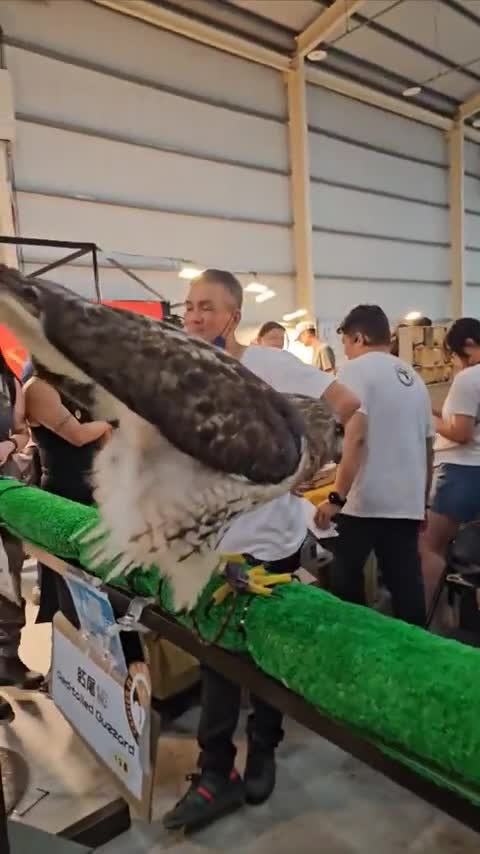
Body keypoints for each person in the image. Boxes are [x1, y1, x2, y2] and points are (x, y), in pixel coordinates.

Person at [163, 269, 359, 833]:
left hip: (270, 544)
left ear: (233, 315)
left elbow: (348, 406)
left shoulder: (269, 364)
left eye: (207, 306)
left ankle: (263, 750)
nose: (194, 315)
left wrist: (309, 472)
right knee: (216, 660)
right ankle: (215, 769)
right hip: (212, 546)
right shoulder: (186, 374)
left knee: (266, 654)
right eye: (189, 305)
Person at [315, 304, 433, 628]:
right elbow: (427, 447)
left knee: (345, 579)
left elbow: (355, 438)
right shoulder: (413, 378)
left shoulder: (355, 371)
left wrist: (336, 497)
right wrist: (422, 502)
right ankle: (418, 649)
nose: (346, 352)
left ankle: (356, 644)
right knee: (406, 584)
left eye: (346, 343)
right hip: (406, 501)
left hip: (366, 501)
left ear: (359, 337)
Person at [23, 363, 112, 626]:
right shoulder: (38, 387)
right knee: (68, 585)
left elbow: (102, 440)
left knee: (100, 578)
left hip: (95, 487)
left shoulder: (75, 385)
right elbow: (78, 435)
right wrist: (107, 424)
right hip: (64, 492)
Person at [421, 318, 480, 607]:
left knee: (429, 548)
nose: (455, 362)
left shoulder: (469, 378)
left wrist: (429, 420)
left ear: (468, 345)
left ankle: (431, 621)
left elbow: (461, 434)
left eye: (454, 354)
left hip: (460, 473)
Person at [0, 349, 43, 721]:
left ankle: (9, 657)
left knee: (11, 575)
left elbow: (23, 431)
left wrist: (10, 445)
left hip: (7, 490)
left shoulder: (8, 380)